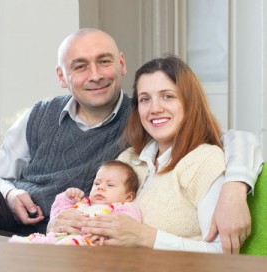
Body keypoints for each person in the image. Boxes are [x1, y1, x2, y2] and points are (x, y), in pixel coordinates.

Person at [0, 28, 262, 254]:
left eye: (104, 62)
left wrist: (235, 185)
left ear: (120, 64)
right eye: (80, 66)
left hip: (76, 235)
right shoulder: (40, 115)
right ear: (62, 75)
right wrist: (10, 194)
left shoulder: (142, 121)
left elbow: (225, 138)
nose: (95, 75)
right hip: (31, 219)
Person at [77, 56, 257, 253]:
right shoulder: (129, 159)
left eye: (168, 96)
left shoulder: (203, 161)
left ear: (190, 102)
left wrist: (146, 237)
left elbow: (222, 251)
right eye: (145, 99)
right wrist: (71, 221)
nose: (155, 108)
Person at [9, 160, 141, 245]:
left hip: (88, 243)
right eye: (97, 183)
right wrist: (67, 198)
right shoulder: (85, 203)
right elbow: (58, 214)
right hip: (59, 237)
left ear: (128, 196)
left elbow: (125, 228)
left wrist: (104, 234)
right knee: (30, 242)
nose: (100, 187)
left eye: (110, 185)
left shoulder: (124, 207)